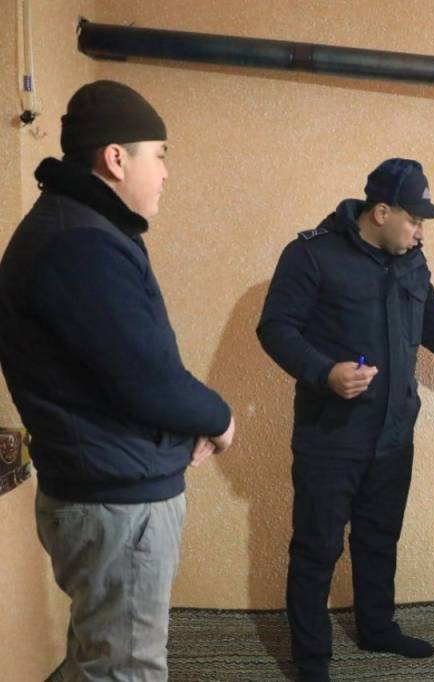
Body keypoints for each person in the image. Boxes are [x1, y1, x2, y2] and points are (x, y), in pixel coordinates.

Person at [257, 158, 434, 681]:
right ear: (381, 212)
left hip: (393, 435)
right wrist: (326, 373)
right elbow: (275, 328)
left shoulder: (412, 262)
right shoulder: (311, 255)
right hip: (330, 437)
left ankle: (377, 628)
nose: (420, 232)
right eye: (414, 220)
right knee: (316, 549)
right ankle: (311, 660)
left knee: (378, 538)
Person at [0, 80, 236, 680]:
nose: (166, 173)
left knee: (101, 656)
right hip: (115, 502)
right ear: (115, 158)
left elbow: (124, 369)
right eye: (159, 155)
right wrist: (219, 418)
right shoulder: (80, 243)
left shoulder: (80, 228)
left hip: (107, 490)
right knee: (124, 670)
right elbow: (146, 380)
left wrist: (185, 423)